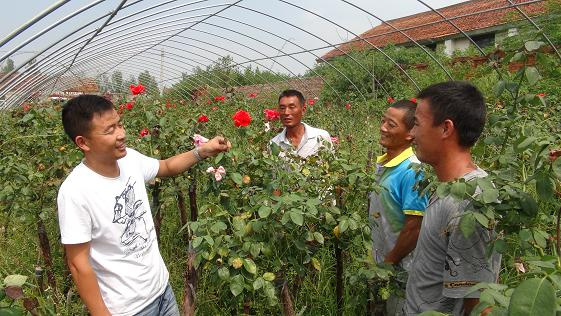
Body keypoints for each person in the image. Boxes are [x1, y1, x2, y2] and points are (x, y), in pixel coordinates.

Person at [57, 95, 231, 316]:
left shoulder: (128, 160)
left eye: (119, 124)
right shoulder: (75, 191)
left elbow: (166, 166)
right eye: (110, 130)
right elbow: (78, 264)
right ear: (83, 142)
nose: (121, 134)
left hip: (162, 292)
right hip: (127, 308)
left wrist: (202, 151)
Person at [404, 81, 501, 315]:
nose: (412, 134)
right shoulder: (449, 188)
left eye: (416, 123)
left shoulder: (468, 203)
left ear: (446, 128)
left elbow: (479, 305)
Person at [369, 99, 428, 315]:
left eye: (391, 124)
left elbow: (415, 226)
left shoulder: (412, 170)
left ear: (410, 133)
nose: (383, 127)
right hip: (383, 263)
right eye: (383, 120)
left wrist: (389, 262)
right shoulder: (385, 164)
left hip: (402, 269)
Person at [271, 89, 331, 158]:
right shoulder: (274, 144)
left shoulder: (321, 137)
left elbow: (332, 166)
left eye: (291, 107)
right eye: (282, 108)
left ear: (303, 110)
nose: (286, 112)